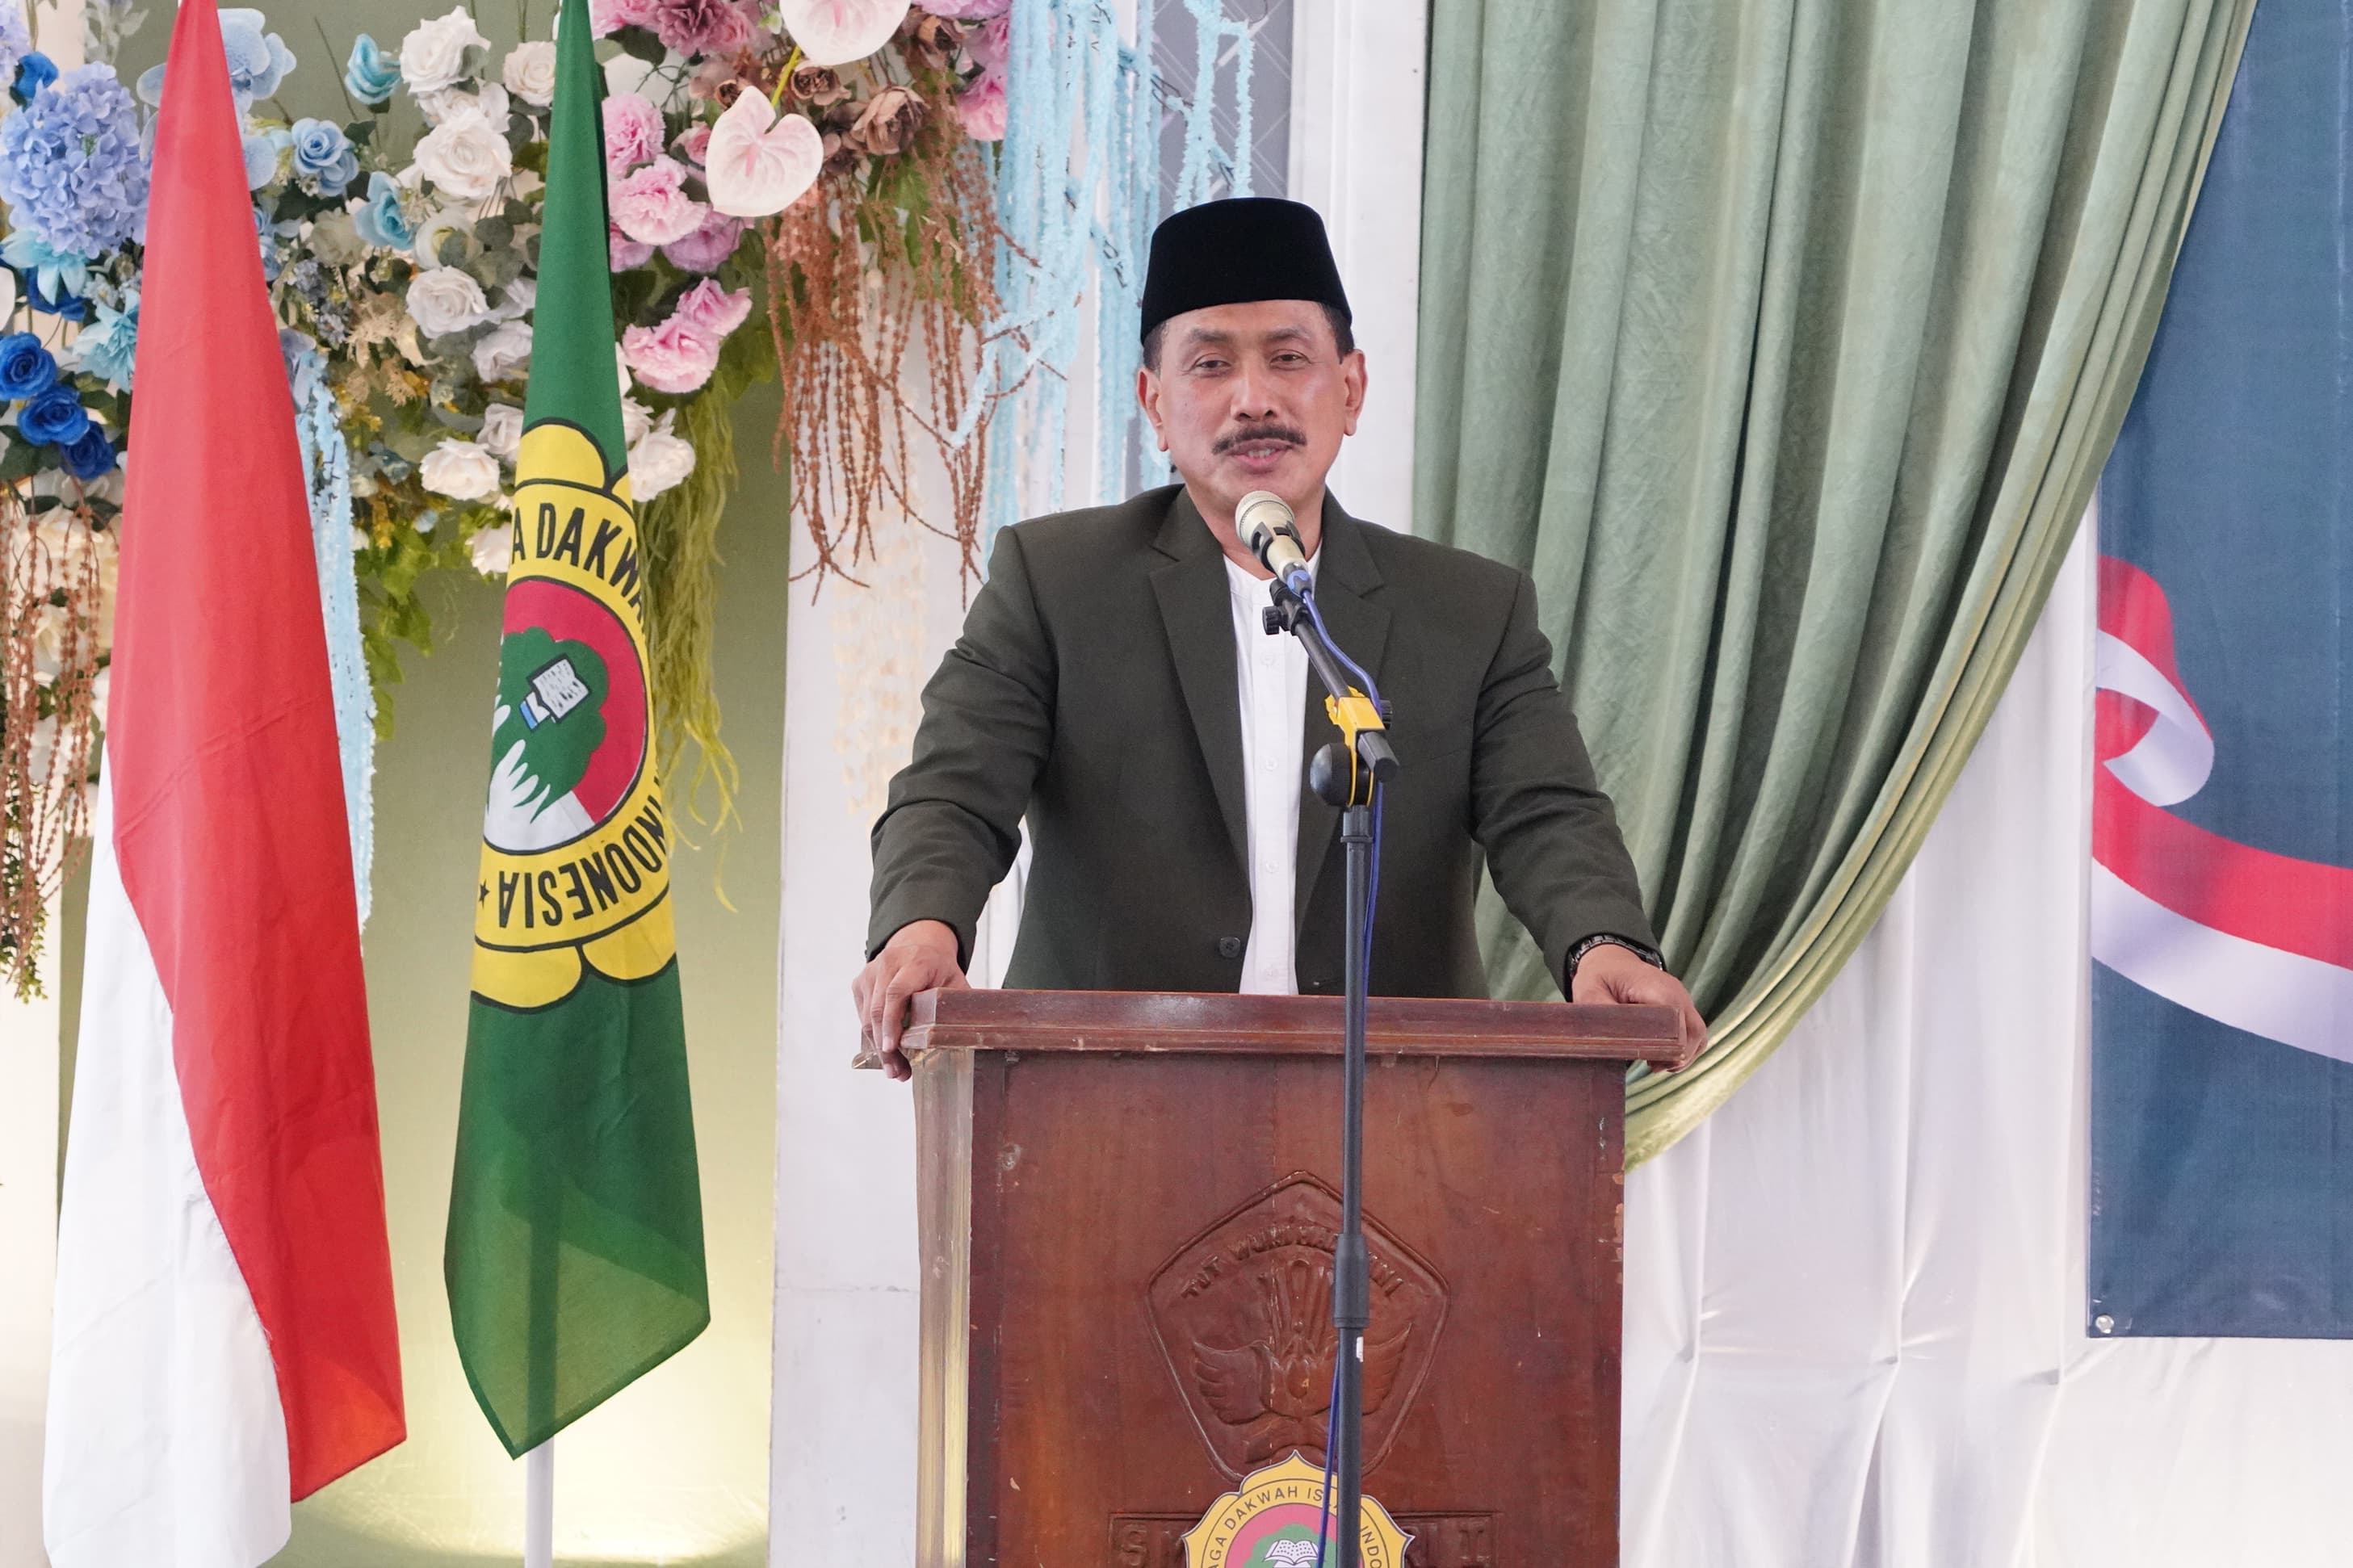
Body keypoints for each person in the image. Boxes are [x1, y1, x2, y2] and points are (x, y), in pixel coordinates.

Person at [854, 196, 1704, 1077]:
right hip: (1101, 1094)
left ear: (1351, 388)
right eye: (1210, 364)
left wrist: (1602, 944)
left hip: (1399, 1103)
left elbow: (1547, 815)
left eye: (1289, 358)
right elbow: (954, 791)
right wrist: (922, 928)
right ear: (1154, 403)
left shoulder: (1470, 609)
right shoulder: (1056, 582)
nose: (1253, 400)